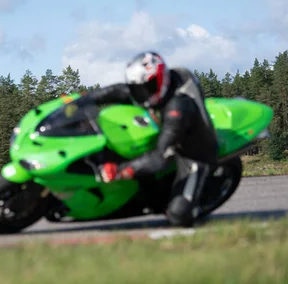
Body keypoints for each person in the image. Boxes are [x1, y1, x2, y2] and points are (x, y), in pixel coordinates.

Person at [80, 51, 219, 227]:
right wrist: (82, 100)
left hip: (193, 155)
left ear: (162, 79)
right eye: (138, 88)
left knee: (177, 216)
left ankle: (196, 205)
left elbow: (160, 156)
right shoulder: (148, 88)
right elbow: (119, 90)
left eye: (149, 86)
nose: (143, 93)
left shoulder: (177, 107)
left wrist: (121, 170)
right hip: (166, 140)